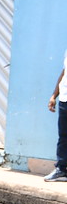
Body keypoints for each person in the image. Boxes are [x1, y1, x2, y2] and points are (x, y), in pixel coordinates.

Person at [45, 49, 67, 181]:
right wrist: (54, 96)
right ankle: (62, 169)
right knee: (63, 136)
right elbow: (64, 73)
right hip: (64, 99)